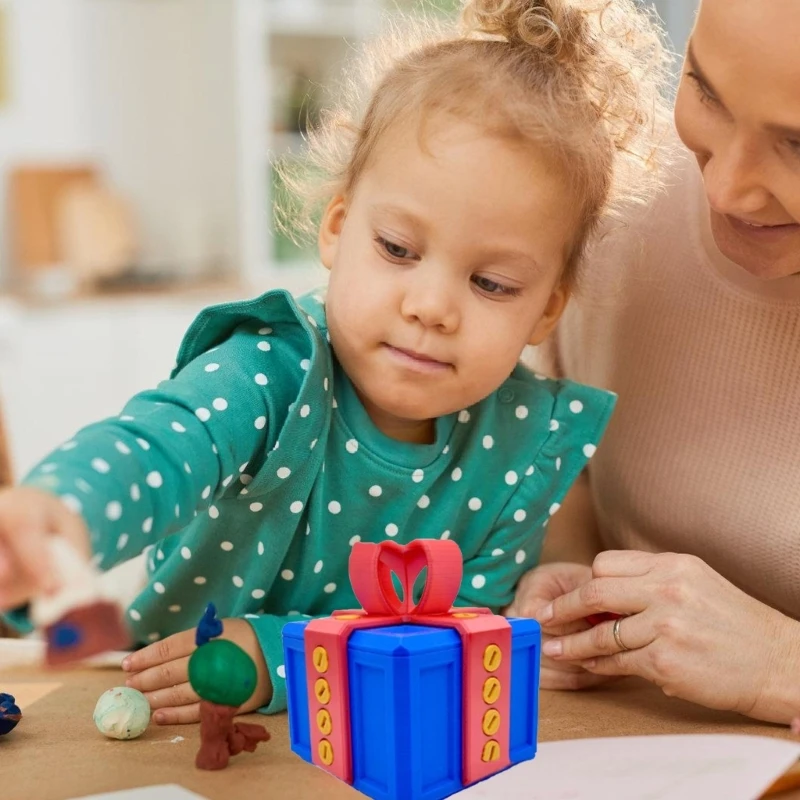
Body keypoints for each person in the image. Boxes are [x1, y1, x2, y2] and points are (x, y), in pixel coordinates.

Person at [0, 0, 667, 723]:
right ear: (339, 227)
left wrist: (283, 657)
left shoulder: (522, 447)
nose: (431, 306)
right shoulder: (272, 371)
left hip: (366, 741)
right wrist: (63, 509)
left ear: (545, 309)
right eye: (398, 250)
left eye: (491, 284)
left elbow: (460, 635)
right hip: (169, 722)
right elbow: (157, 448)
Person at [509, 0, 800, 725]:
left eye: (799, 145)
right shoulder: (616, 200)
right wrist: (571, 570)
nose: (726, 189)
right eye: (706, 89)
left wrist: (780, 663)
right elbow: (565, 442)